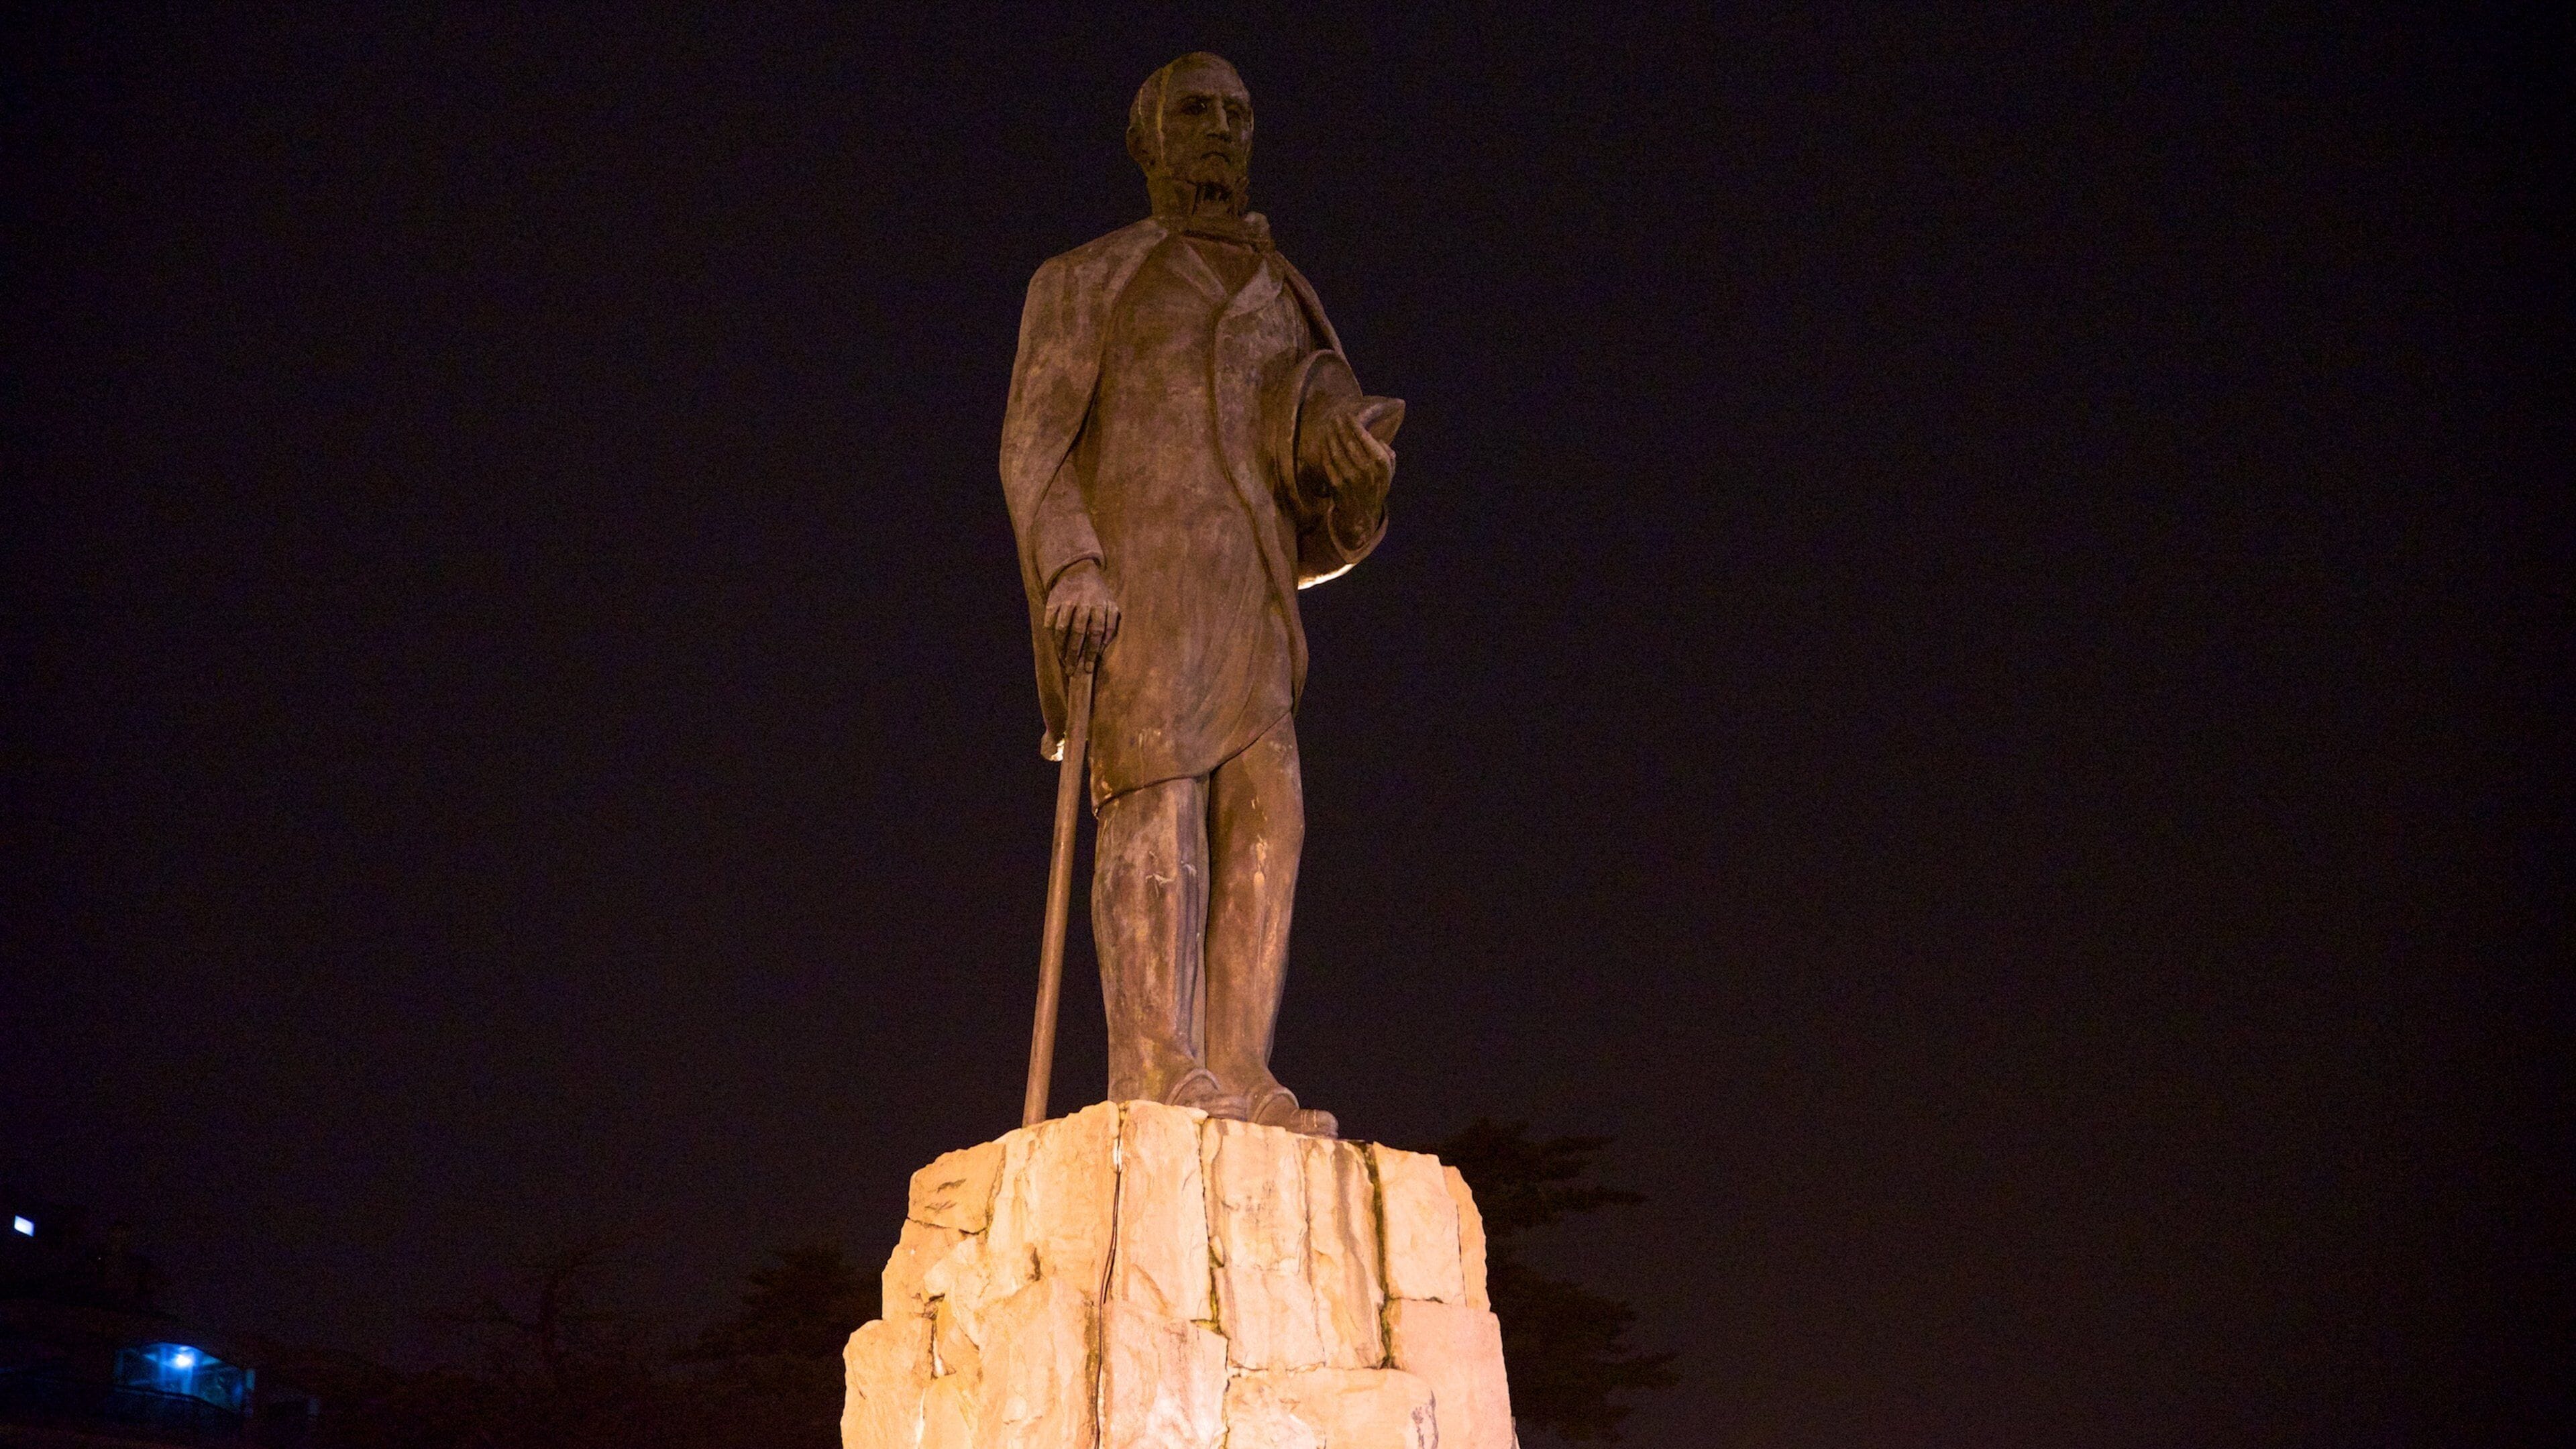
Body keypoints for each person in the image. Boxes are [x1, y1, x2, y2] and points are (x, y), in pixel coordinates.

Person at [998, 52, 1402, 1138]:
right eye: (1195, 113)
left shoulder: (1286, 296)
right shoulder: (1086, 279)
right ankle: (1154, 1056)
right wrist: (1072, 560)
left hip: (1254, 598)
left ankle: (1242, 1063)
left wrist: (1350, 466)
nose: (1219, 130)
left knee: (1270, 823)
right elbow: (1034, 445)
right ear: (1152, 141)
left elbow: (1327, 502)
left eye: (1237, 113)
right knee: (1156, 809)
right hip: (1142, 589)